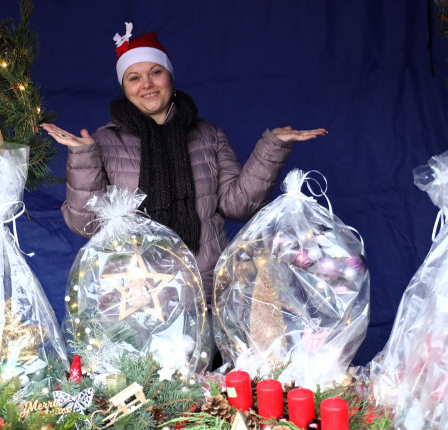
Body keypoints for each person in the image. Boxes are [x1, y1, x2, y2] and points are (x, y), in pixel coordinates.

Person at [42, 23, 325, 297]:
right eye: (134, 77)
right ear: (124, 88)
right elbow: (87, 224)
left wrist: (272, 148)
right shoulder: (103, 143)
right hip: (136, 297)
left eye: (156, 72)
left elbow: (237, 205)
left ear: (170, 76)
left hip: (205, 289)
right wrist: (83, 157)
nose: (147, 84)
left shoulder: (208, 136)